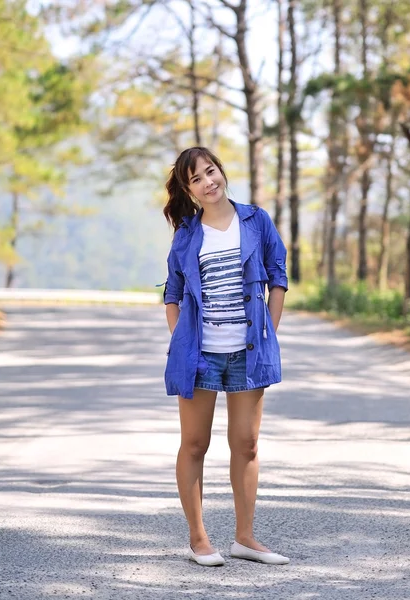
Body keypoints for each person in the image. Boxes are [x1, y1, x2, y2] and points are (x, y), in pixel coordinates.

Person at [162, 147, 289, 567]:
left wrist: (269, 328)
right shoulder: (187, 233)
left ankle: (245, 539)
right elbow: (173, 293)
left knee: (247, 444)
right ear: (189, 190)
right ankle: (199, 539)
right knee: (195, 443)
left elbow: (278, 276)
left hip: (248, 354)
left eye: (210, 172)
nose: (207, 182)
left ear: (222, 172)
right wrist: (181, 340)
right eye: (196, 179)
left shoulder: (256, 220)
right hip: (200, 356)